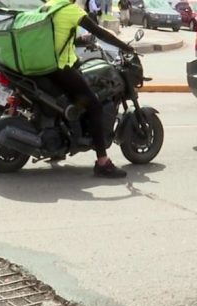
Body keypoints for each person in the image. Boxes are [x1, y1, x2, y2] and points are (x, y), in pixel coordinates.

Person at [46, 0, 135, 178]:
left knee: (69, 102)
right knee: (94, 105)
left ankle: (57, 148)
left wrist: (79, 40)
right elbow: (100, 32)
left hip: (46, 66)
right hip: (61, 67)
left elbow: (55, 35)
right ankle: (102, 162)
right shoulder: (70, 10)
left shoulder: (49, 6)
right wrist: (126, 47)